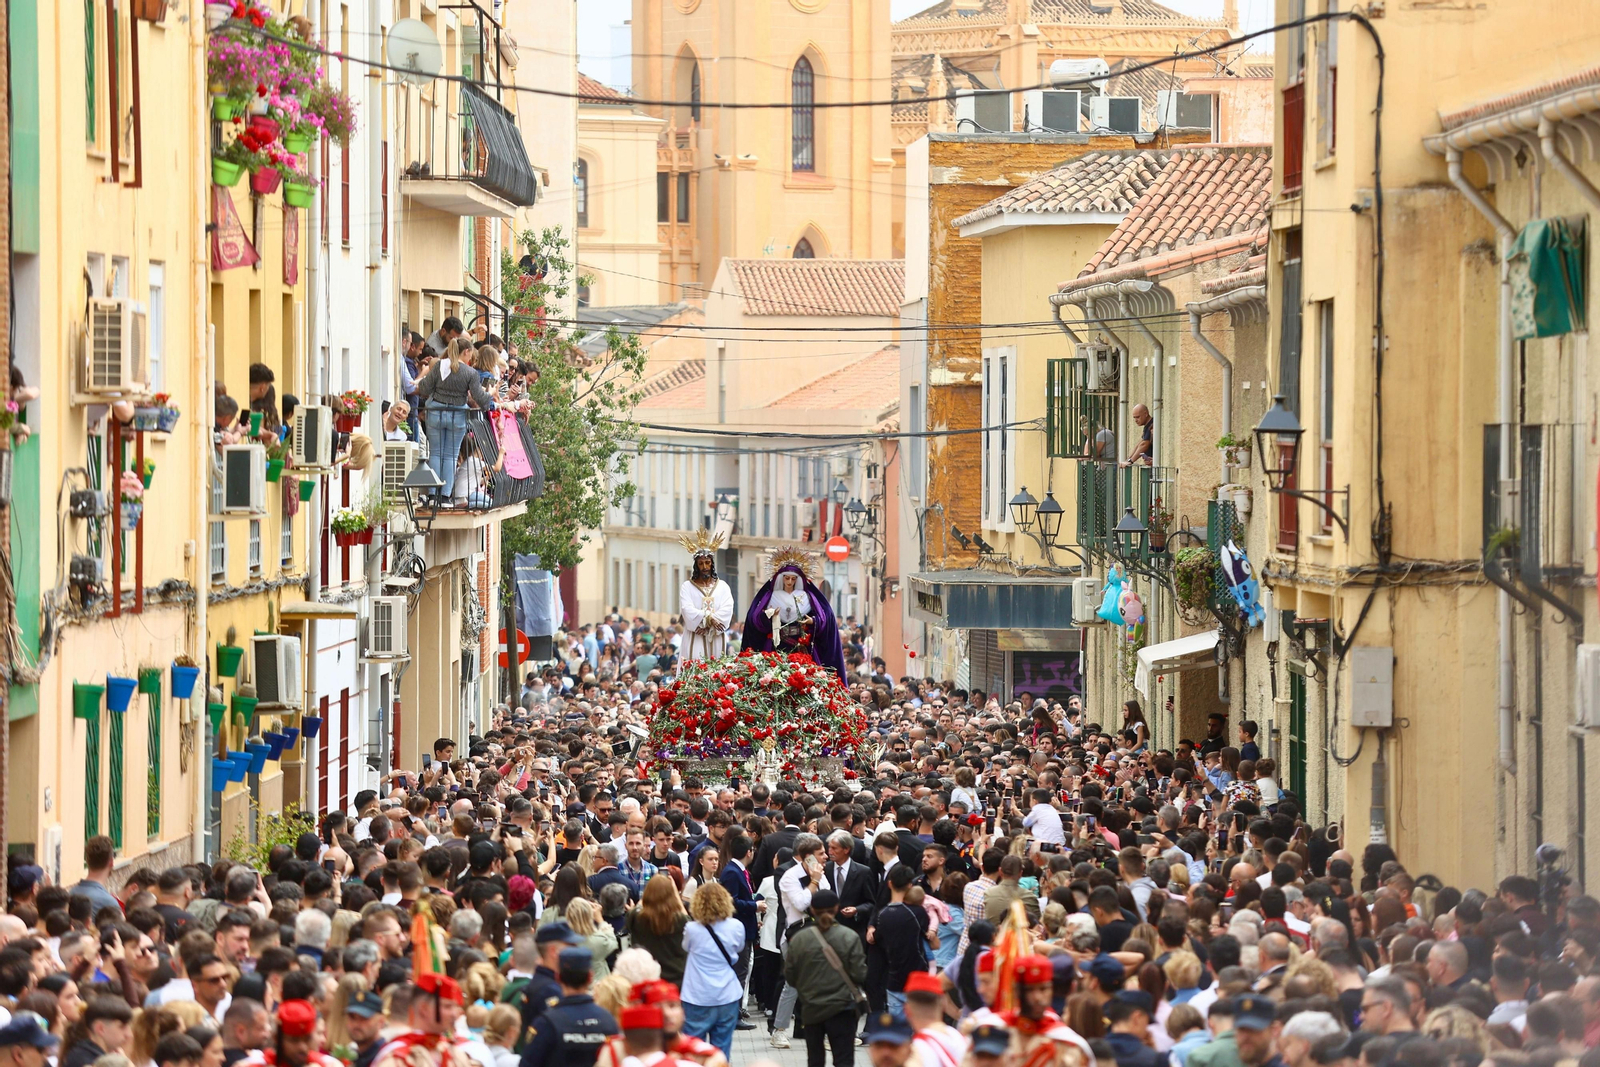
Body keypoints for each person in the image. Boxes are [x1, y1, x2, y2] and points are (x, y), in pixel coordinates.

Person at [782, 891, 867, 1067]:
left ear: (812, 910)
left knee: (815, 1059)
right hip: (842, 1008)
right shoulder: (849, 937)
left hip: (812, 1008)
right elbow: (860, 974)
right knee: (844, 1059)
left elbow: (790, 976)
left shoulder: (800, 939)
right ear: (836, 908)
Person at [740, 550, 848, 683]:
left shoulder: (806, 597)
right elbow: (755, 620)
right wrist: (768, 616)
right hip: (776, 644)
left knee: (803, 677)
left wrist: (813, 621)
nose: (790, 582)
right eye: (787, 578)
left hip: (800, 646)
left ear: (798, 579)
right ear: (781, 578)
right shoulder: (772, 597)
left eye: (793, 578)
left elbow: (825, 619)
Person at [678, 884, 744, 1061]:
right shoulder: (736, 926)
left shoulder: (692, 929)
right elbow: (739, 947)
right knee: (721, 1050)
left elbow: (686, 947)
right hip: (727, 994)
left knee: (693, 1050)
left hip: (696, 996)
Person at [677, 533, 734, 664]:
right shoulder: (687, 587)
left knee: (717, 666)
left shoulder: (723, 586)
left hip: (716, 635)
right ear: (696, 565)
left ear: (712, 564)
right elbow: (687, 609)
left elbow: (727, 608)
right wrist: (709, 618)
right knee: (696, 664)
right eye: (701, 563)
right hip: (696, 634)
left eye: (707, 563)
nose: (704, 567)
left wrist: (713, 624)